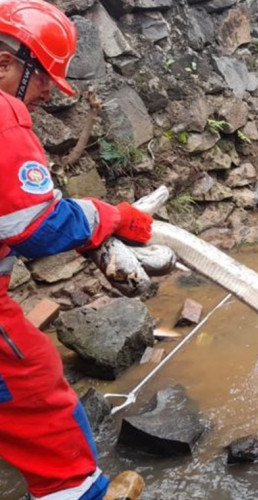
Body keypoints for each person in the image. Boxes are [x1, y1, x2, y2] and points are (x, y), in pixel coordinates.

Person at [0, 1, 152, 498]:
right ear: (6, 62)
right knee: (40, 395)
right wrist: (111, 216)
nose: (47, 91)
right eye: (42, 75)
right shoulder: (4, 113)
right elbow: (37, 225)